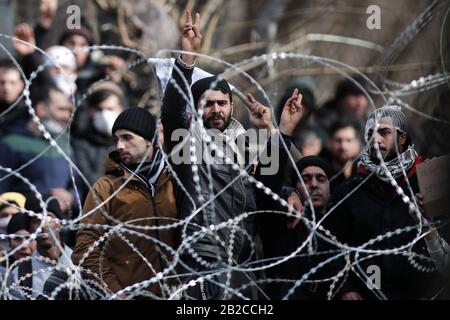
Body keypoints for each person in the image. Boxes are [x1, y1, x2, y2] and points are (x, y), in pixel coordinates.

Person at [161, 10, 303, 299]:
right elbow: (172, 112)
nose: (216, 110)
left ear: (231, 107)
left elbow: (268, 184)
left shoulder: (247, 145)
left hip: (242, 260)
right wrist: (188, 57)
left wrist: (282, 131)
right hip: (201, 261)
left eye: (221, 103)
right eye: (208, 104)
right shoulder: (187, 146)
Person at [324, 105, 441, 300]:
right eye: (371, 133)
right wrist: (346, 288)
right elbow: (330, 246)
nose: (376, 140)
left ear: (401, 138)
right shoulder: (350, 190)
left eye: (384, 132)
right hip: (368, 293)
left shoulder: (427, 181)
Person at [71, 107, 179, 299]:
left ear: (149, 140)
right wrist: (115, 291)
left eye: (127, 137)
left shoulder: (174, 182)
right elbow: (85, 249)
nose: (119, 145)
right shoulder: (106, 188)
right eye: (117, 139)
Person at [259, 156, 333, 299]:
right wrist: (287, 193)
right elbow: (267, 186)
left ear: (330, 187)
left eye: (321, 179)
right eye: (305, 179)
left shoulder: (339, 224)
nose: (314, 185)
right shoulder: (285, 219)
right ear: (296, 188)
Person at [0, 85, 75, 211]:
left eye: (69, 110)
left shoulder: (65, 146)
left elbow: (76, 186)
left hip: (59, 224)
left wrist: (70, 197)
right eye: (61, 109)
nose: (67, 116)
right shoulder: (12, 143)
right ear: (41, 109)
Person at [8, 194, 73, 300]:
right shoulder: (20, 275)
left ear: (60, 224)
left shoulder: (79, 262)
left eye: (48, 217)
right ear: (29, 230)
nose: (43, 225)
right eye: (36, 220)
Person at [72, 85, 125, 201]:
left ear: (120, 109)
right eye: (99, 109)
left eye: (110, 109)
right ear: (90, 111)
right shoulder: (81, 142)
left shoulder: (128, 142)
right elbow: (87, 179)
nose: (105, 115)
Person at [321, 119, 361, 188]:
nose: (343, 147)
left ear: (357, 144)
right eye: (338, 140)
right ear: (329, 142)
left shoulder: (364, 174)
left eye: (348, 141)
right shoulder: (321, 175)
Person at [0, 59, 27, 135]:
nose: (6, 88)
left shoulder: (27, 112)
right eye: (2, 82)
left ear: (21, 85)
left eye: (12, 83)